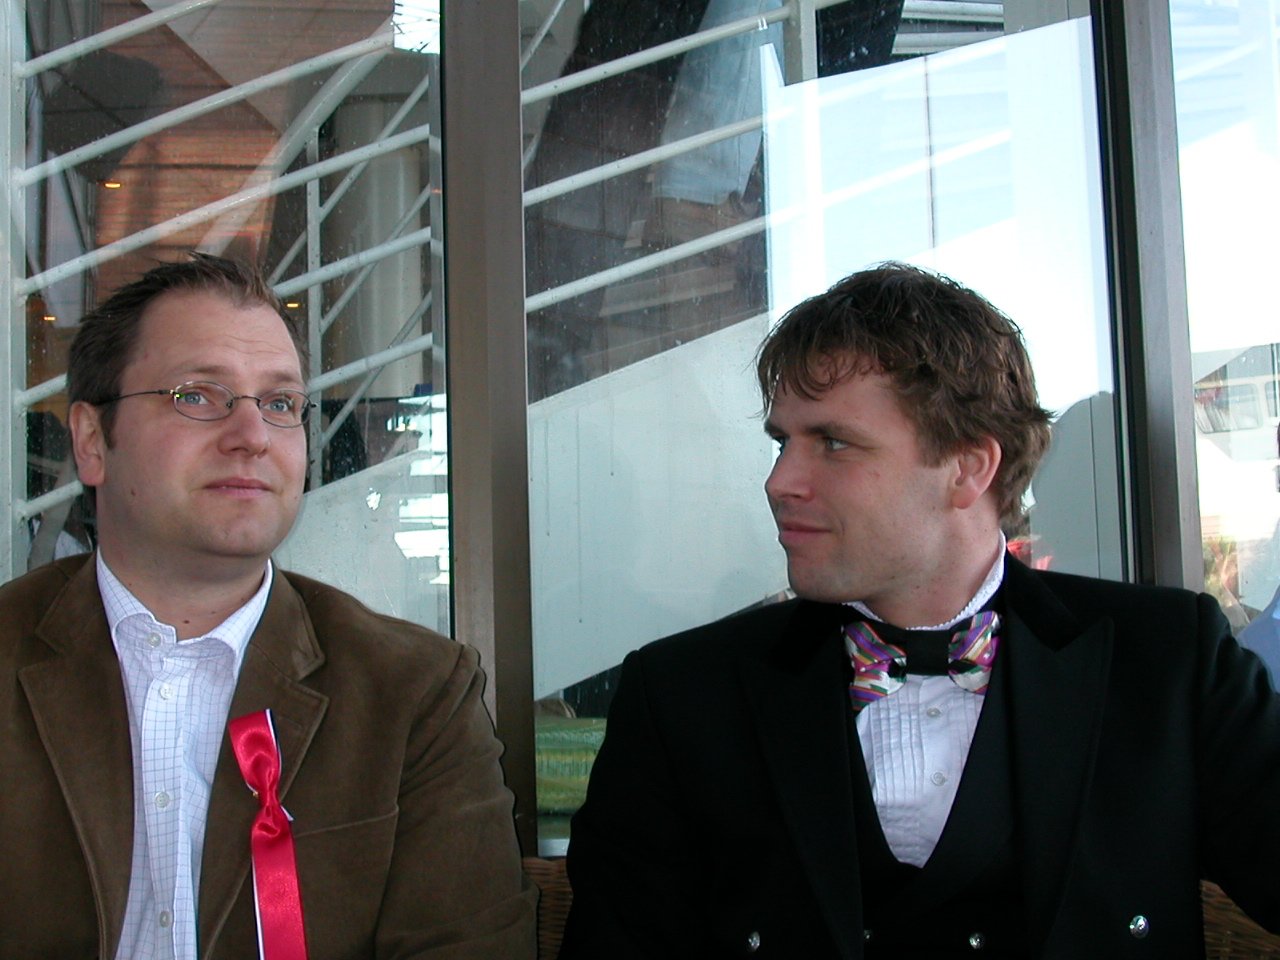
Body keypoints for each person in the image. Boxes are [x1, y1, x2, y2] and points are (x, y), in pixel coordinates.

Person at [559, 262, 1280, 958]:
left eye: (833, 442)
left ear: (968, 467)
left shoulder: (1168, 661)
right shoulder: (684, 694)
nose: (780, 482)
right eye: (782, 442)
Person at [0, 253, 535, 959]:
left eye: (280, 404)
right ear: (93, 441)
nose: (252, 436)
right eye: (198, 395)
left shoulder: (414, 695)